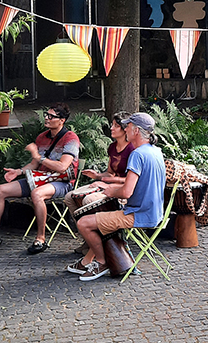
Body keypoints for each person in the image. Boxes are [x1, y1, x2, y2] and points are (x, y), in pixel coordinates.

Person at [0, 102, 80, 254]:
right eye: (46, 115)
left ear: (62, 120)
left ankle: (40, 239)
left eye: (51, 116)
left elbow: (62, 167)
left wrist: (38, 156)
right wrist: (18, 171)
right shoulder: (42, 137)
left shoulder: (70, 138)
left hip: (61, 182)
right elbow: (34, 164)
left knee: (37, 193)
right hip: (39, 178)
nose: (46, 118)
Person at [68, 112, 166, 282]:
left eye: (127, 126)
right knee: (101, 219)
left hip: (138, 215)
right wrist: (112, 185)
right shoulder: (155, 151)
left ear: (135, 130)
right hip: (155, 213)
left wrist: (110, 191)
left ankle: (101, 262)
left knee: (83, 223)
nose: (125, 129)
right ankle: (87, 261)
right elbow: (137, 185)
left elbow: (126, 192)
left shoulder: (137, 155)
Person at [63, 112, 134, 222]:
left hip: (125, 191)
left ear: (125, 129)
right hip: (112, 185)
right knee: (69, 197)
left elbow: (131, 181)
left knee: (89, 199)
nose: (111, 128)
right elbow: (110, 173)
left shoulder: (132, 149)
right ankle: (86, 233)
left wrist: (105, 184)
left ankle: (102, 234)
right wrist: (97, 175)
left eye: (116, 126)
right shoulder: (112, 147)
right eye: (112, 125)